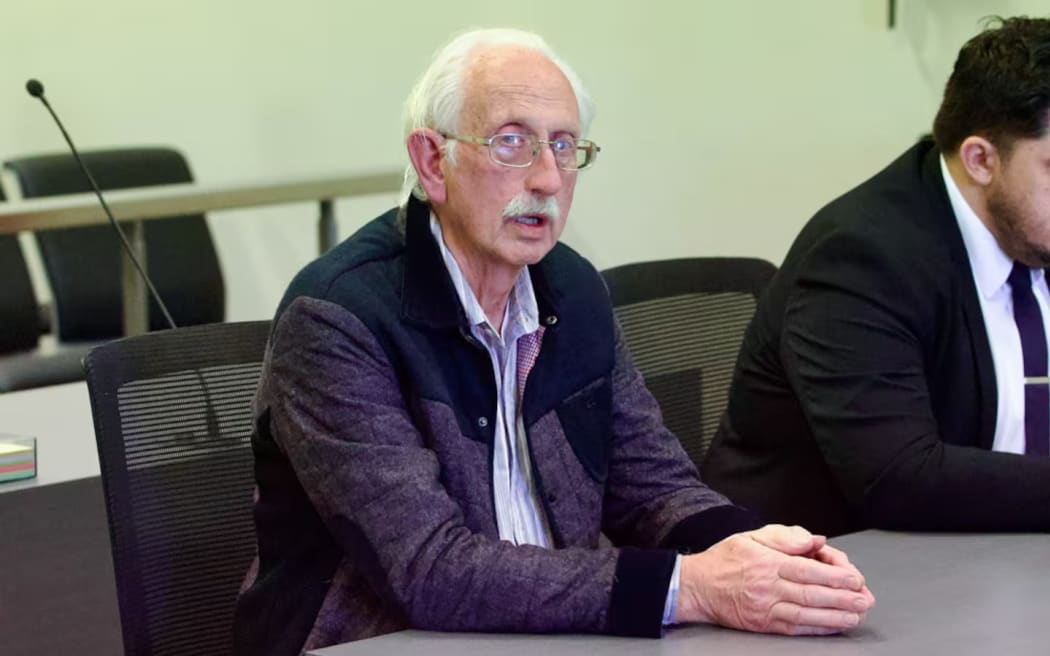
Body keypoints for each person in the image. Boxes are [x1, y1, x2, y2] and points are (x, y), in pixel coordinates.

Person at [233, 28, 873, 656]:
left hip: (553, 631)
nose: (546, 178)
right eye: (512, 143)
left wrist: (764, 552)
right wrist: (691, 587)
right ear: (433, 161)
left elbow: (653, 489)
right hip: (376, 639)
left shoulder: (571, 289)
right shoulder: (339, 318)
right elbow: (430, 571)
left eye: (564, 146)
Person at [703, 16, 1050, 537]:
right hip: (821, 574)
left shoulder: (1031, 228)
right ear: (981, 160)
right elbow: (900, 479)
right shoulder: (862, 258)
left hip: (993, 551)